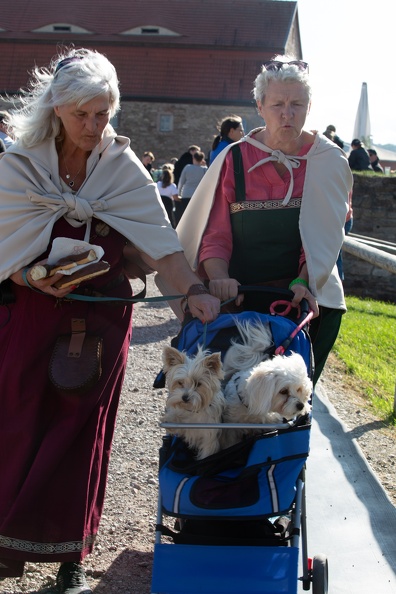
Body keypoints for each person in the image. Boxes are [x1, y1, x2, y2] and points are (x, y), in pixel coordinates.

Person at [0, 48, 220, 592]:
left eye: (104, 114)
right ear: (56, 108)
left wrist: (193, 292)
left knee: (82, 433)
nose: (95, 126)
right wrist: (30, 278)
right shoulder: (17, 166)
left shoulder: (123, 170)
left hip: (99, 325)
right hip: (29, 318)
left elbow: (163, 249)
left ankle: (73, 557)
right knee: (17, 424)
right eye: (83, 115)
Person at [176, 55, 353, 385]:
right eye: (277, 104)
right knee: (222, 374)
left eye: (296, 104)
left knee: (293, 387)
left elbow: (323, 236)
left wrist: (305, 278)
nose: (287, 114)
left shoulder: (327, 160)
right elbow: (215, 233)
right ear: (259, 106)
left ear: (309, 106)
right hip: (243, 288)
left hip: (304, 287)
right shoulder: (235, 158)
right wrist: (219, 276)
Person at [175, 150, 207, 225]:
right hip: (198, 195)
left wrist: (179, 192)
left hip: (186, 194)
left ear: (193, 158)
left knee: (186, 215)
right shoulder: (204, 169)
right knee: (197, 216)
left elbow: (181, 181)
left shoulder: (187, 167)